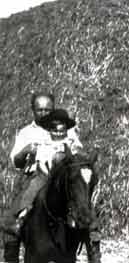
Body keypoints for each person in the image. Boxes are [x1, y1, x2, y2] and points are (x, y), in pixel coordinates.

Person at [3, 92, 101, 263]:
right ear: (33, 110)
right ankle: (13, 240)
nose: (44, 113)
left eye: (48, 109)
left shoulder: (69, 133)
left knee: (82, 204)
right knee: (21, 206)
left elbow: (78, 155)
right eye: (40, 109)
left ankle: (93, 243)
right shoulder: (28, 133)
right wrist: (27, 150)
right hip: (40, 175)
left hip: (65, 178)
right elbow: (17, 161)